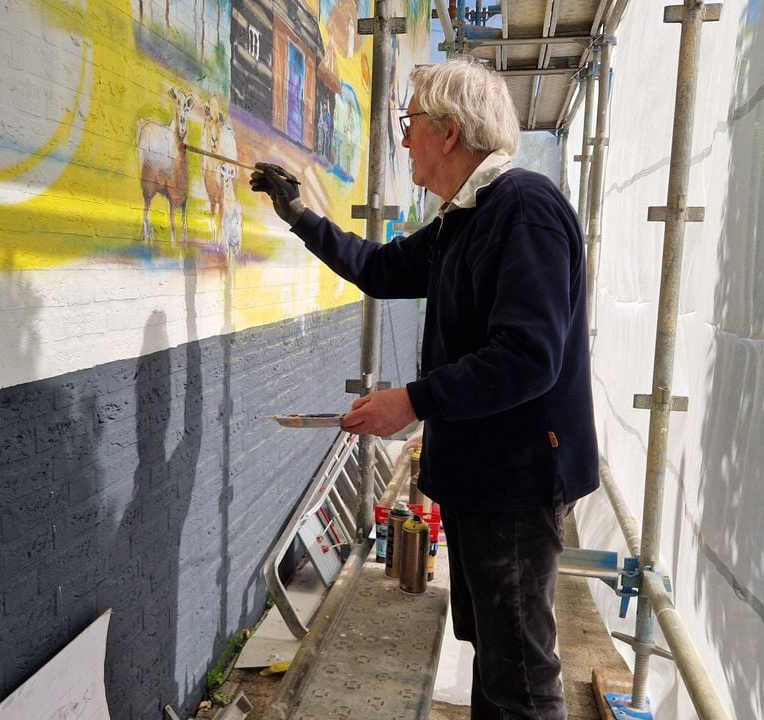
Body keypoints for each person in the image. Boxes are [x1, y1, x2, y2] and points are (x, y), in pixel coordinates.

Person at [250, 57, 598, 720]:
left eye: (409, 124)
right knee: (493, 655)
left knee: (521, 676)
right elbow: (380, 269)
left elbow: (528, 357)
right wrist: (299, 215)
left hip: (516, 483)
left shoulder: (524, 208)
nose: (403, 139)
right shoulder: (460, 221)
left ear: (448, 131)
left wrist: (411, 402)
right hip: (479, 479)